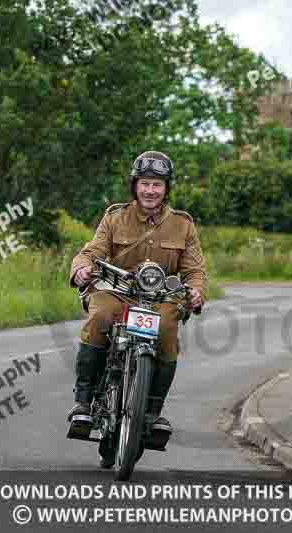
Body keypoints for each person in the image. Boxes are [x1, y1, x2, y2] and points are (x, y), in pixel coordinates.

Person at [66, 150, 208, 450]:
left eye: (157, 185)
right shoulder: (115, 216)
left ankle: (153, 413)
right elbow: (92, 251)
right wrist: (81, 268)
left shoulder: (183, 225)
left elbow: (194, 270)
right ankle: (83, 403)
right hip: (116, 291)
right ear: (135, 185)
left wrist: (196, 291)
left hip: (160, 298)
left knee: (167, 329)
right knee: (100, 316)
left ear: (166, 188)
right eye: (145, 183)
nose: (150, 190)